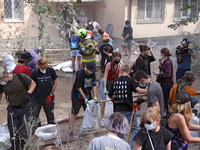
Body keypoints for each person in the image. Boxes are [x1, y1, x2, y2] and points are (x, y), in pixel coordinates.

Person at [108, 64, 147, 149]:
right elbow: (139, 91)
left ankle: (121, 148)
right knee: (134, 129)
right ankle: (133, 148)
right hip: (128, 109)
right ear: (129, 71)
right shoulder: (130, 80)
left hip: (117, 110)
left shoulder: (115, 81)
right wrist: (150, 90)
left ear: (120, 71)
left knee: (119, 131)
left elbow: (110, 96)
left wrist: (115, 98)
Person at [0, 67, 36, 150]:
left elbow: (33, 83)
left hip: (25, 107)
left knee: (24, 131)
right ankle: (16, 148)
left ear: (6, 76)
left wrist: (28, 93)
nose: (2, 82)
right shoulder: (2, 84)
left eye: (2, 80)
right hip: (12, 109)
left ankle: (25, 147)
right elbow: (0, 93)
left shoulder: (21, 77)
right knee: (13, 132)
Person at [69, 62, 97, 136]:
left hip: (87, 93)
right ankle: (70, 130)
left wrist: (95, 96)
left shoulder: (92, 73)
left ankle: (89, 127)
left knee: (90, 111)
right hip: (77, 95)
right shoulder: (80, 73)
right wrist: (84, 98)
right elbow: (78, 87)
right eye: (91, 70)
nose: (92, 72)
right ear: (87, 68)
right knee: (74, 112)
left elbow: (94, 84)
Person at [30, 58, 57, 125]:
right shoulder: (35, 73)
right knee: (35, 115)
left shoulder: (51, 71)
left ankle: (51, 128)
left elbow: (55, 82)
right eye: (43, 65)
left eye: (46, 64)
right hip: (37, 98)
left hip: (48, 97)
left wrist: (51, 94)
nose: (45, 66)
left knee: (50, 115)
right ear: (39, 65)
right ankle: (36, 129)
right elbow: (30, 84)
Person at [99, 52, 121, 126]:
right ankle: (102, 118)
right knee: (104, 101)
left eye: (118, 59)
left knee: (113, 101)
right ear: (113, 58)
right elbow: (105, 77)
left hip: (113, 84)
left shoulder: (119, 66)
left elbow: (119, 78)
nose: (117, 60)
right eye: (116, 59)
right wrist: (105, 88)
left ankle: (112, 118)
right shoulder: (109, 65)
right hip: (105, 83)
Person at [153, 48, 173, 114]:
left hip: (167, 83)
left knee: (166, 98)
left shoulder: (168, 62)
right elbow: (163, 70)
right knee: (163, 98)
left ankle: (167, 112)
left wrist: (158, 74)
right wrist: (160, 64)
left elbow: (168, 74)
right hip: (163, 82)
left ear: (163, 54)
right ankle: (164, 111)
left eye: (161, 53)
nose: (160, 54)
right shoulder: (165, 61)